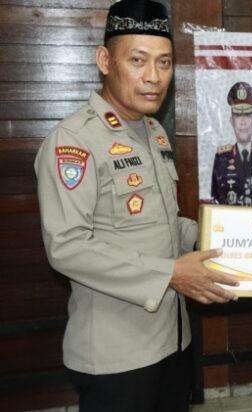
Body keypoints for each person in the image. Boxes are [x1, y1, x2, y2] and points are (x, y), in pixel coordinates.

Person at [34, 1, 239, 410]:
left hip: (171, 341)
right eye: (138, 60)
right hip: (116, 355)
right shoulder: (74, 140)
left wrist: (223, 234)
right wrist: (171, 274)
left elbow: (160, 223)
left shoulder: (153, 132)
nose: (153, 77)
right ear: (105, 61)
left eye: (164, 62)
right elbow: (68, 246)